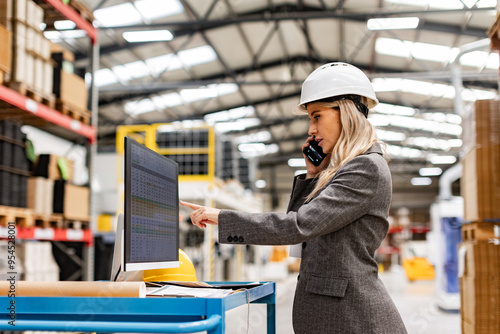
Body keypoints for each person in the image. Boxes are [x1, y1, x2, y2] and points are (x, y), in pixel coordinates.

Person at [181, 62, 408, 333]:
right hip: (336, 316)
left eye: (317, 116)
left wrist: (223, 217)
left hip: (353, 318)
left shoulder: (365, 167)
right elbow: (304, 233)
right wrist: (313, 175)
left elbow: (297, 226)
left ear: (346, 112)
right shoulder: (343, 169)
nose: (311, 129)